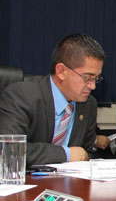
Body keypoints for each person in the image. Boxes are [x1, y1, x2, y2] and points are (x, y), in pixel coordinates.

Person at [0, 33, 106, 165]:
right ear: (61, 71)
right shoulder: (22, 95)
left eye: (96, 78)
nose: (93, 86)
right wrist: (65, 154)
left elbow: (86, 153)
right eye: (87, 78)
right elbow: (10, 150)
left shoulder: (89, 104)